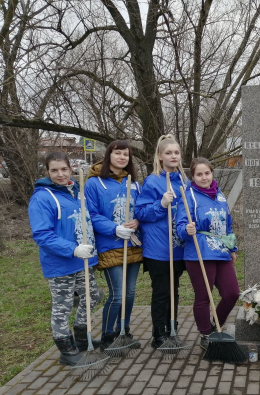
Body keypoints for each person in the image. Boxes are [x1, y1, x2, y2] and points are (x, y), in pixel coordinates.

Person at [28, 152, 101, 365]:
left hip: (84, 260)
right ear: (47, 172)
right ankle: (66, 349)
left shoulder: (76, 191)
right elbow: (42, 234)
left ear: (71, 169)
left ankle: (80, 338)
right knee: (63, 305)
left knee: (93, 296)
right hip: (61, 262)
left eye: (63, 169)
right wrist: (72, 249)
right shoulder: (42, 197)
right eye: (54, 170)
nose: (60, 174)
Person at [85, 140, 143, 350]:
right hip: (110, 245)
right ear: (109, 155)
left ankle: (123, 331)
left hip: (134, 245)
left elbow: (141, 211)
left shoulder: (134, 184)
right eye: (117, 153)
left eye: (125, 155)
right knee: (117, 295)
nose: (122, 157)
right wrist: (113, 228)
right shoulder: (95, 183)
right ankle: (108, 335)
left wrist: (138, 221)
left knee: (129, 293)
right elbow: (90, 215)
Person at [176, 158, 239, 349]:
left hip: (221, 251)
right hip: (200, 253)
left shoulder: (220, 195)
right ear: (193, 177)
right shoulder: (188, 197)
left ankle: (215, 324)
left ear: (212, 173)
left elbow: (227, 224)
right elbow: (179, 226)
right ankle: (206, 333)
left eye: (207, 173)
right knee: (204, 296)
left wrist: (232, 248)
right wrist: (186, 229)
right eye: (199, 174)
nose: (204, 177)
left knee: (232, 293)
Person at [134, 134, 188, 348]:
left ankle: (171, 327)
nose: (173, 156)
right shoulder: (153, 181)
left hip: (179, 247)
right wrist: (161, 204)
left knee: (174, 290)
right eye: (168, 153)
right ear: (160, 155)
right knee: (161, 291)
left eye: (176, 152)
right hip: (158, 248)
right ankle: (159, 334)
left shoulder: (184, 181)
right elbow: (140, 212)